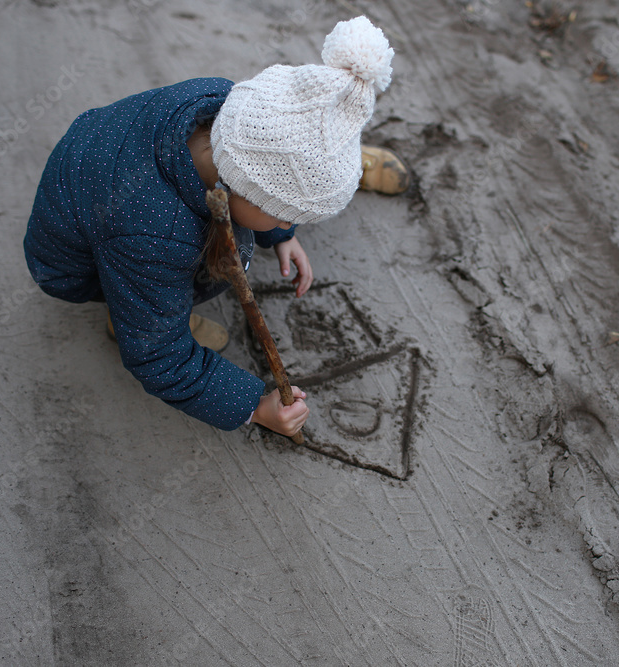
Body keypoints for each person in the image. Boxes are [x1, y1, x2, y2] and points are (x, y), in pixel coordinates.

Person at [23, 16, 408, 437]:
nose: (289, 224)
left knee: (240, 231)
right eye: (285, 215)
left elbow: (254, 186)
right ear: (243, 185)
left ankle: (327, 166)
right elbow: (158, 358)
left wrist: (279, 233)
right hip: (79, 262)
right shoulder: (155, 236)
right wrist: (255, 408)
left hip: (111, 173)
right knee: (199, 280)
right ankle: (127, 311)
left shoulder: (222, 103)